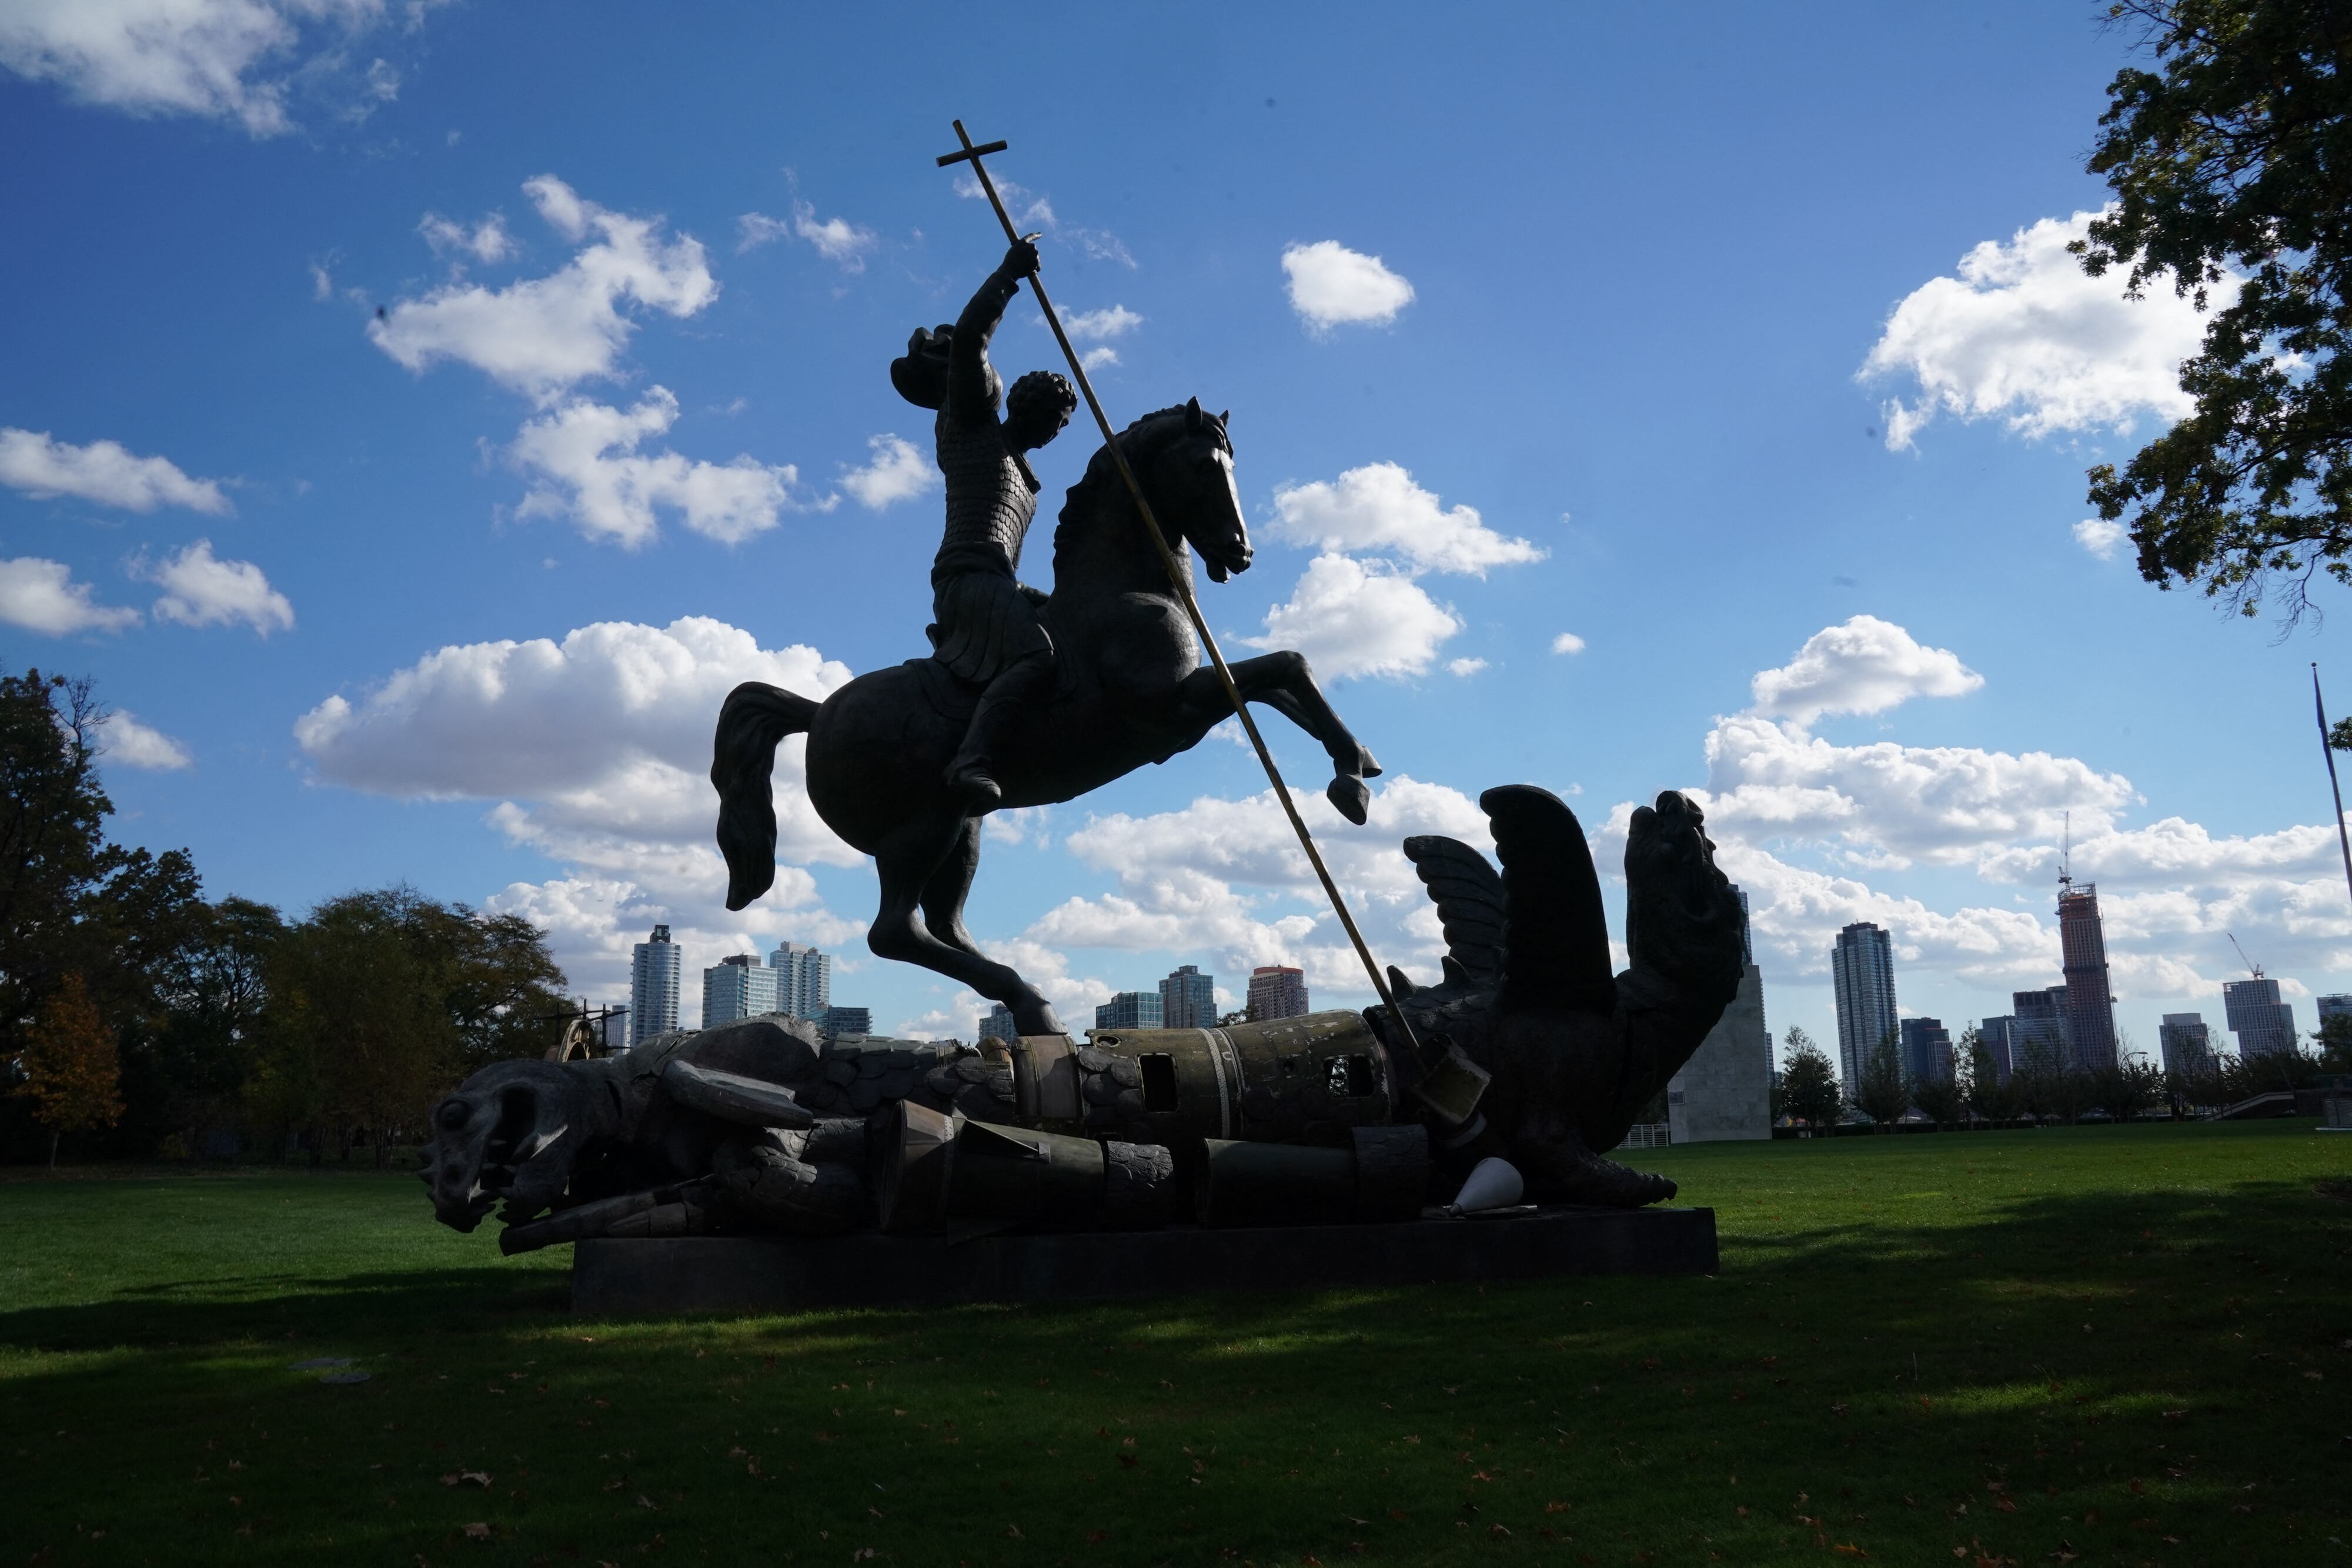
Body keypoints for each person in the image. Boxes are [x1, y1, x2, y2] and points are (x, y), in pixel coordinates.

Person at [890, 236, 1079, 810]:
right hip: (966, 580)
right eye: (1049, 416)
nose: (1053, 430)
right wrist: (1007, 275)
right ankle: (972, 759)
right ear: (1021, 405)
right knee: (1037, 656)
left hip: (998, 583)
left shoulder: (1028, 479)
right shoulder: (972, 426)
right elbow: (971, 339)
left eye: (1062, 423)